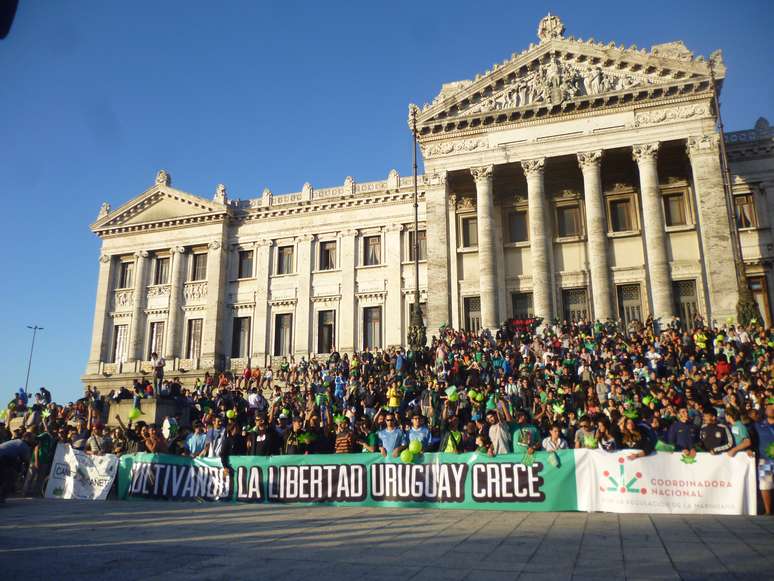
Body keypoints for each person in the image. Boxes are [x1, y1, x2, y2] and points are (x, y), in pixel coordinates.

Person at [0, 432, 35, 502]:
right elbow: (27, 461)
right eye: (32, 439)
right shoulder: (24, 445)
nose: (33, 440)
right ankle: (1, 497)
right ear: (26, 438)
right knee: (10, 477)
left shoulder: (17, 441)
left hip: (3, 457)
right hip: (2, 458)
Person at [753, 400, 774, 515]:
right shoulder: (758, 425)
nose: (771, 409)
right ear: (765, 410)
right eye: (769, 408)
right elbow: (751, 439)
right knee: (765, 485)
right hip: (765, 461)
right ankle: (768, 511)